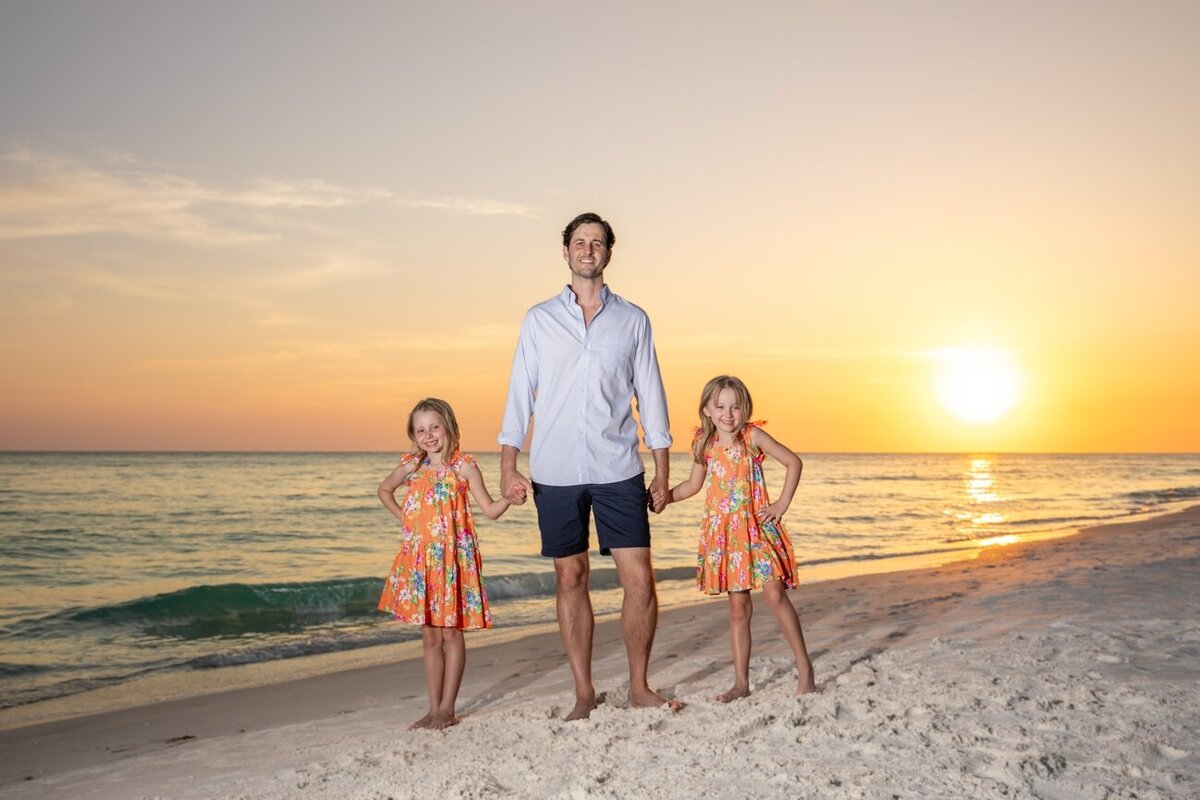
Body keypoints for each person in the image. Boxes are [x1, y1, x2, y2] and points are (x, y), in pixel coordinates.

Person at [499, 212, 679, 720]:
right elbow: (519, 395)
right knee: (570, 577)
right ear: (566, 252)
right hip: (554, 470)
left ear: (608, 253)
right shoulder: (538, 320)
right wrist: (508, 466)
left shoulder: (634, 320)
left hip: (618, 465)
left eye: (597, 243)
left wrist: (663, 471)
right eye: (580, 242)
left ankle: (639, 686)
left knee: (639, 579)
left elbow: (652, 396)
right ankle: (584, 692)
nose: (588, 249)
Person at [664, 375, 816, 700]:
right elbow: (692, 486)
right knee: (738, 608)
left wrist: (782, 503)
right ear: (706, 409)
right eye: (720, 406)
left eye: (735, 406)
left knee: (775, 595)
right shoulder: (703, 445)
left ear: (745, 408)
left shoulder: (752, 436)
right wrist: (664, 497)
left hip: (757, 529)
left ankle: (805, 669)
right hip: (725, 538)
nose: (728, 414)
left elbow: (793, 462)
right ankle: (741, 684)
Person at [377, 397, 509, 730]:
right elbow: (384, 490)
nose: (429, 435)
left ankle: (448, 709)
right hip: (422, 564)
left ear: (448, 426)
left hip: (453, 561)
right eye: (420, 430)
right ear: (414, 435)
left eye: (434, 426)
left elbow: (490, 510)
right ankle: (433, 708)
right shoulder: (412, 465)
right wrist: (407, 520)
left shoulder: (463, 466)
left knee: (452, 634)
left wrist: (510, 497)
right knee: (430, 637)